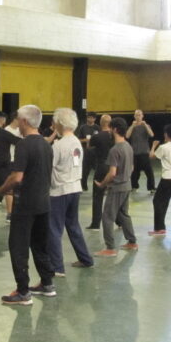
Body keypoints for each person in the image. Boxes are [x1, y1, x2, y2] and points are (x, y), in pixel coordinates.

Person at [0, 105, 56, 305]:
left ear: (25, 121)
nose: (17, 123)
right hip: (43, 203)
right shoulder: (46, 144)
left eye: (19, 120)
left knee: (18, 246)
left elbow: (17, 177)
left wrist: (1, 190)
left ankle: (22, 291)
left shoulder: (24, 145)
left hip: (26, 204)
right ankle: (47, 283)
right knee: (40, 245)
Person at [47, 107, 93, 274]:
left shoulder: (58, 146)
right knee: (73, 225)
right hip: (75, 188)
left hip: (60, 190)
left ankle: (57, 267)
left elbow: (49, 167)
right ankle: (85, 259)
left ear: (59, 123)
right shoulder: (76, 143)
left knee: (54, 229)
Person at [95, 116, 136, 255]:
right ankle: (132, 241)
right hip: (127, 185)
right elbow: (131, 168)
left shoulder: (115, 150)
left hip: (117, 187)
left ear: (115, 129)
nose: (110, 131)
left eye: (111, 129)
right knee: (123, 215)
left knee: (107, 217)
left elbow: (112, 173)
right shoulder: (128, 146)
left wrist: (102, 184)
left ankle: (110, 248)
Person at [0, 112, 19, 220]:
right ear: (3, 121)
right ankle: (9, 214)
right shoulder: (5, 133)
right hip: (4, 165)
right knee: (8, 190)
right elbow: (18, 142)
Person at [86, 114, 113, 231]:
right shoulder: (114, 136)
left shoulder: (97, 136)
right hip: (114, 167)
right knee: (115, 195)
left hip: (101, 166)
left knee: (97, 196)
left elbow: (89, 147)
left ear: (101, 123)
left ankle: (96, 224)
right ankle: (120, 221)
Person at [127, 109, 155, 192]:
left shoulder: (146, 126)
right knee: (135, 172)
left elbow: (151, 134)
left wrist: (145, 125)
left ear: (142, 116)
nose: (138, 117)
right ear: (134, 116)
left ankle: (151, 187)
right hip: (135, 153)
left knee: (149, 171)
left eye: (139, 115)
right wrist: (132, 126)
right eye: (136, 115)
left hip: (144, 152)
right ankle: (134, 186)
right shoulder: (132, 127)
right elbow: (127, 136)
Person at [76, 113, 100, 190]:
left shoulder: (97, 128)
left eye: (92, 118)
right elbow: (78, 139)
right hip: (85, 152)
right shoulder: (83, 127)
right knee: (85, 170)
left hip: (95, 152)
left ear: (95, 119)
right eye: (89, 117)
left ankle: (98, 185)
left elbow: (100, 139)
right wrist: (85, 140)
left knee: (97, 170)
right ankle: (84, 186)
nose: (90, 119)